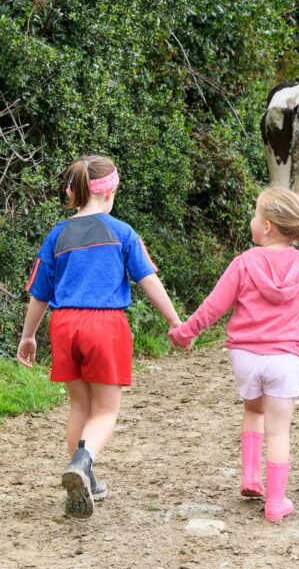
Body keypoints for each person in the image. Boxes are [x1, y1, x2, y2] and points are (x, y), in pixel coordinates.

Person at [168, 187, 299, 522]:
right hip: (285, 361)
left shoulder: (244, 263)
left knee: (252, 410)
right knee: (279, 431)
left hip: (245, 357)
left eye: (256, 214)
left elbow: (213, 308)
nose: (252, 220)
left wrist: (184, 333)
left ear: (268, 226)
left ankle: (249, 476)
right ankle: (275, 503)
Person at [16, 155, 181, 519]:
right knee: (106, 410)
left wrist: (28, 336)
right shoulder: (121, 232)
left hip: (64, 324)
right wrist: (174, 320)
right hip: (104, 325)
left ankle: (86, 476)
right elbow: (148, 280)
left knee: (79, 406)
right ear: (110, 192)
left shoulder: (57, 235)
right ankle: (82, 462)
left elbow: (39, 293)